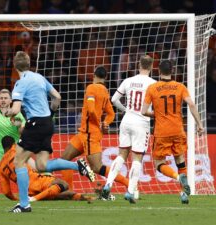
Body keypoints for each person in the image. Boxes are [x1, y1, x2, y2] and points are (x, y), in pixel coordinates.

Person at [5, 51, 94, 213]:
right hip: (48, 123)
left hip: (35, 123)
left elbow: (16, 109)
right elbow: (57, 97)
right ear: (29, 63)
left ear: (14, 65)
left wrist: (7, 112)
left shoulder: (20, 83)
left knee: (19, 161)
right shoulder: (39, 77)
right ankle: (77, 166)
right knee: (41, 165)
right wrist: (51, 114)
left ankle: (24, 204)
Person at [141, 60, 204, 204]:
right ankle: (184, 194)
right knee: (180, 162)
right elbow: (192, 104)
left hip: (162, 132)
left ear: (158, 71)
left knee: (158, 163)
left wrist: (156, 114)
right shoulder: (180, 87)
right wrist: (199, 124)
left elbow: (144, 111)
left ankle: (177, 178)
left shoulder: (152, 88)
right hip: (178, 130)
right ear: (172, 70)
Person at [60, 66, 129, 193]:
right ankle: (69, 191)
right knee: (64, 159)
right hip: (84, 133)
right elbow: (111, 113)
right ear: (106, 78)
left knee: (97, 167)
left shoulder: (91, 88)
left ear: (94, 75)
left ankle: (128, 183)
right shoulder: (105, 91)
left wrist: (98, 123)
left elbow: (91, 110)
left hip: (91, 134)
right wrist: (105, 123)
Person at [101, 55, 157, 203]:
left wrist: (126, 110)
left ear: (139, 65)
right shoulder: (153, 84)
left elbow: (114, 100)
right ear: (151, 66)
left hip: (126, 121)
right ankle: (130, 191)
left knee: (121, 155)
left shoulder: (128, 81)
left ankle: (108, 184)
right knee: (137, 158)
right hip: (141, 122)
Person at [0, 136, 93, 202]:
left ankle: (77, 196)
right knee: (63, 184)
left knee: (57, 195)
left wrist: (16, 199)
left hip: (28, 190)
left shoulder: (1, 167)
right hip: (37, 181)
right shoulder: (17, 150)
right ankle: (76, 165)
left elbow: (6, 192)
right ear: (13, 143)